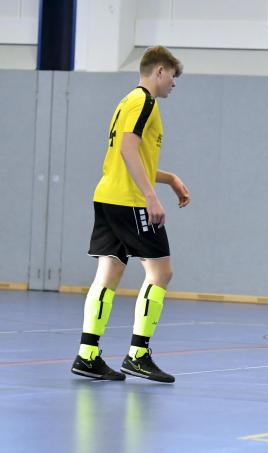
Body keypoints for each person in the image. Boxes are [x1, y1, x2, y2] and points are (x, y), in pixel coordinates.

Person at [70, 46, 189, 383]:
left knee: (107, 274)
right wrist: (151, 197)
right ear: (160, 71)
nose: (174, 86)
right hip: (130, 201)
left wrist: (169, 179)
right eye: (173, 78)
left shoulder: (127, 101)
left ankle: (87, 354)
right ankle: (138, 354)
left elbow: (134, 158)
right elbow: (127, 147)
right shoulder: (144, 102)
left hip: (108, 196)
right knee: (161, 272)